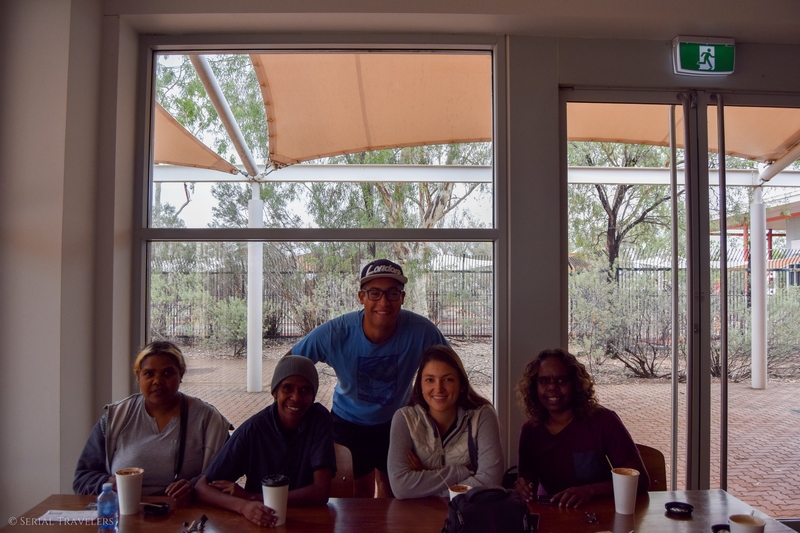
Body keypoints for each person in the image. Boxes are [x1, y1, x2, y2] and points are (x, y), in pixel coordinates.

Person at [290, 259, 449, 498]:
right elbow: (290, 365)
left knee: (394, 492)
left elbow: (450, 370)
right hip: (348, 422)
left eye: (392, 293)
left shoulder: (421, 331)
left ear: (402, 297)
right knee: (356, 496)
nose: (383, 302)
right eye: (375, 293)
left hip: (398, 421)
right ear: (361, 297)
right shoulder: (336, 332)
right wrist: (304, 409)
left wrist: (435, 411)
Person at [73, 341, 232, 505]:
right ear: (138, 375)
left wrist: (193, 488)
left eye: (167, 373)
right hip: (126, 512)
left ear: (181, 374)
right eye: (149, 374)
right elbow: (83, 478)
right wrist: (108, 484)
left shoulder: (209, 420)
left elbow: (226, 475)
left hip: (186, 514)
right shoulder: (116, 418)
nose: (158, 381)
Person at [195, 356, 335, 528]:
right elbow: (202, 487)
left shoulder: (319, 420)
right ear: (275, 392)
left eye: (305, 390)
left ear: (313, 396)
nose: (296, 397)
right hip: (261, 521)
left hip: (309, 522)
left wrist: (252, 497)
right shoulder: (254, 429)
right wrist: (243, 506)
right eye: (287, 388)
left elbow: (321, 492)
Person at [514, 348, 649, 509]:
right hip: (553, 515)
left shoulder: (604, 421)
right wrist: (523, 488)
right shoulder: (531, 430)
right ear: (534, 387)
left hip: (601, 514)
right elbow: (527, 483)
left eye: (561, 380)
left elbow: (640, 481)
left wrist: (590, 491)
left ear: (575, 384)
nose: (552, 387)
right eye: (544, 381)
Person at [388, 345, 504, 499]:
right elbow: (400, 487)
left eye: (448, 379)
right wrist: (460, 473)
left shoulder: (483, 416)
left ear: (461, 384)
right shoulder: (404, 419)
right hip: (419, 512)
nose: (439, 388)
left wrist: (425, 481)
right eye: (430, 380)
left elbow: (490, 481)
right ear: (420, 385)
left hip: (470, 511)